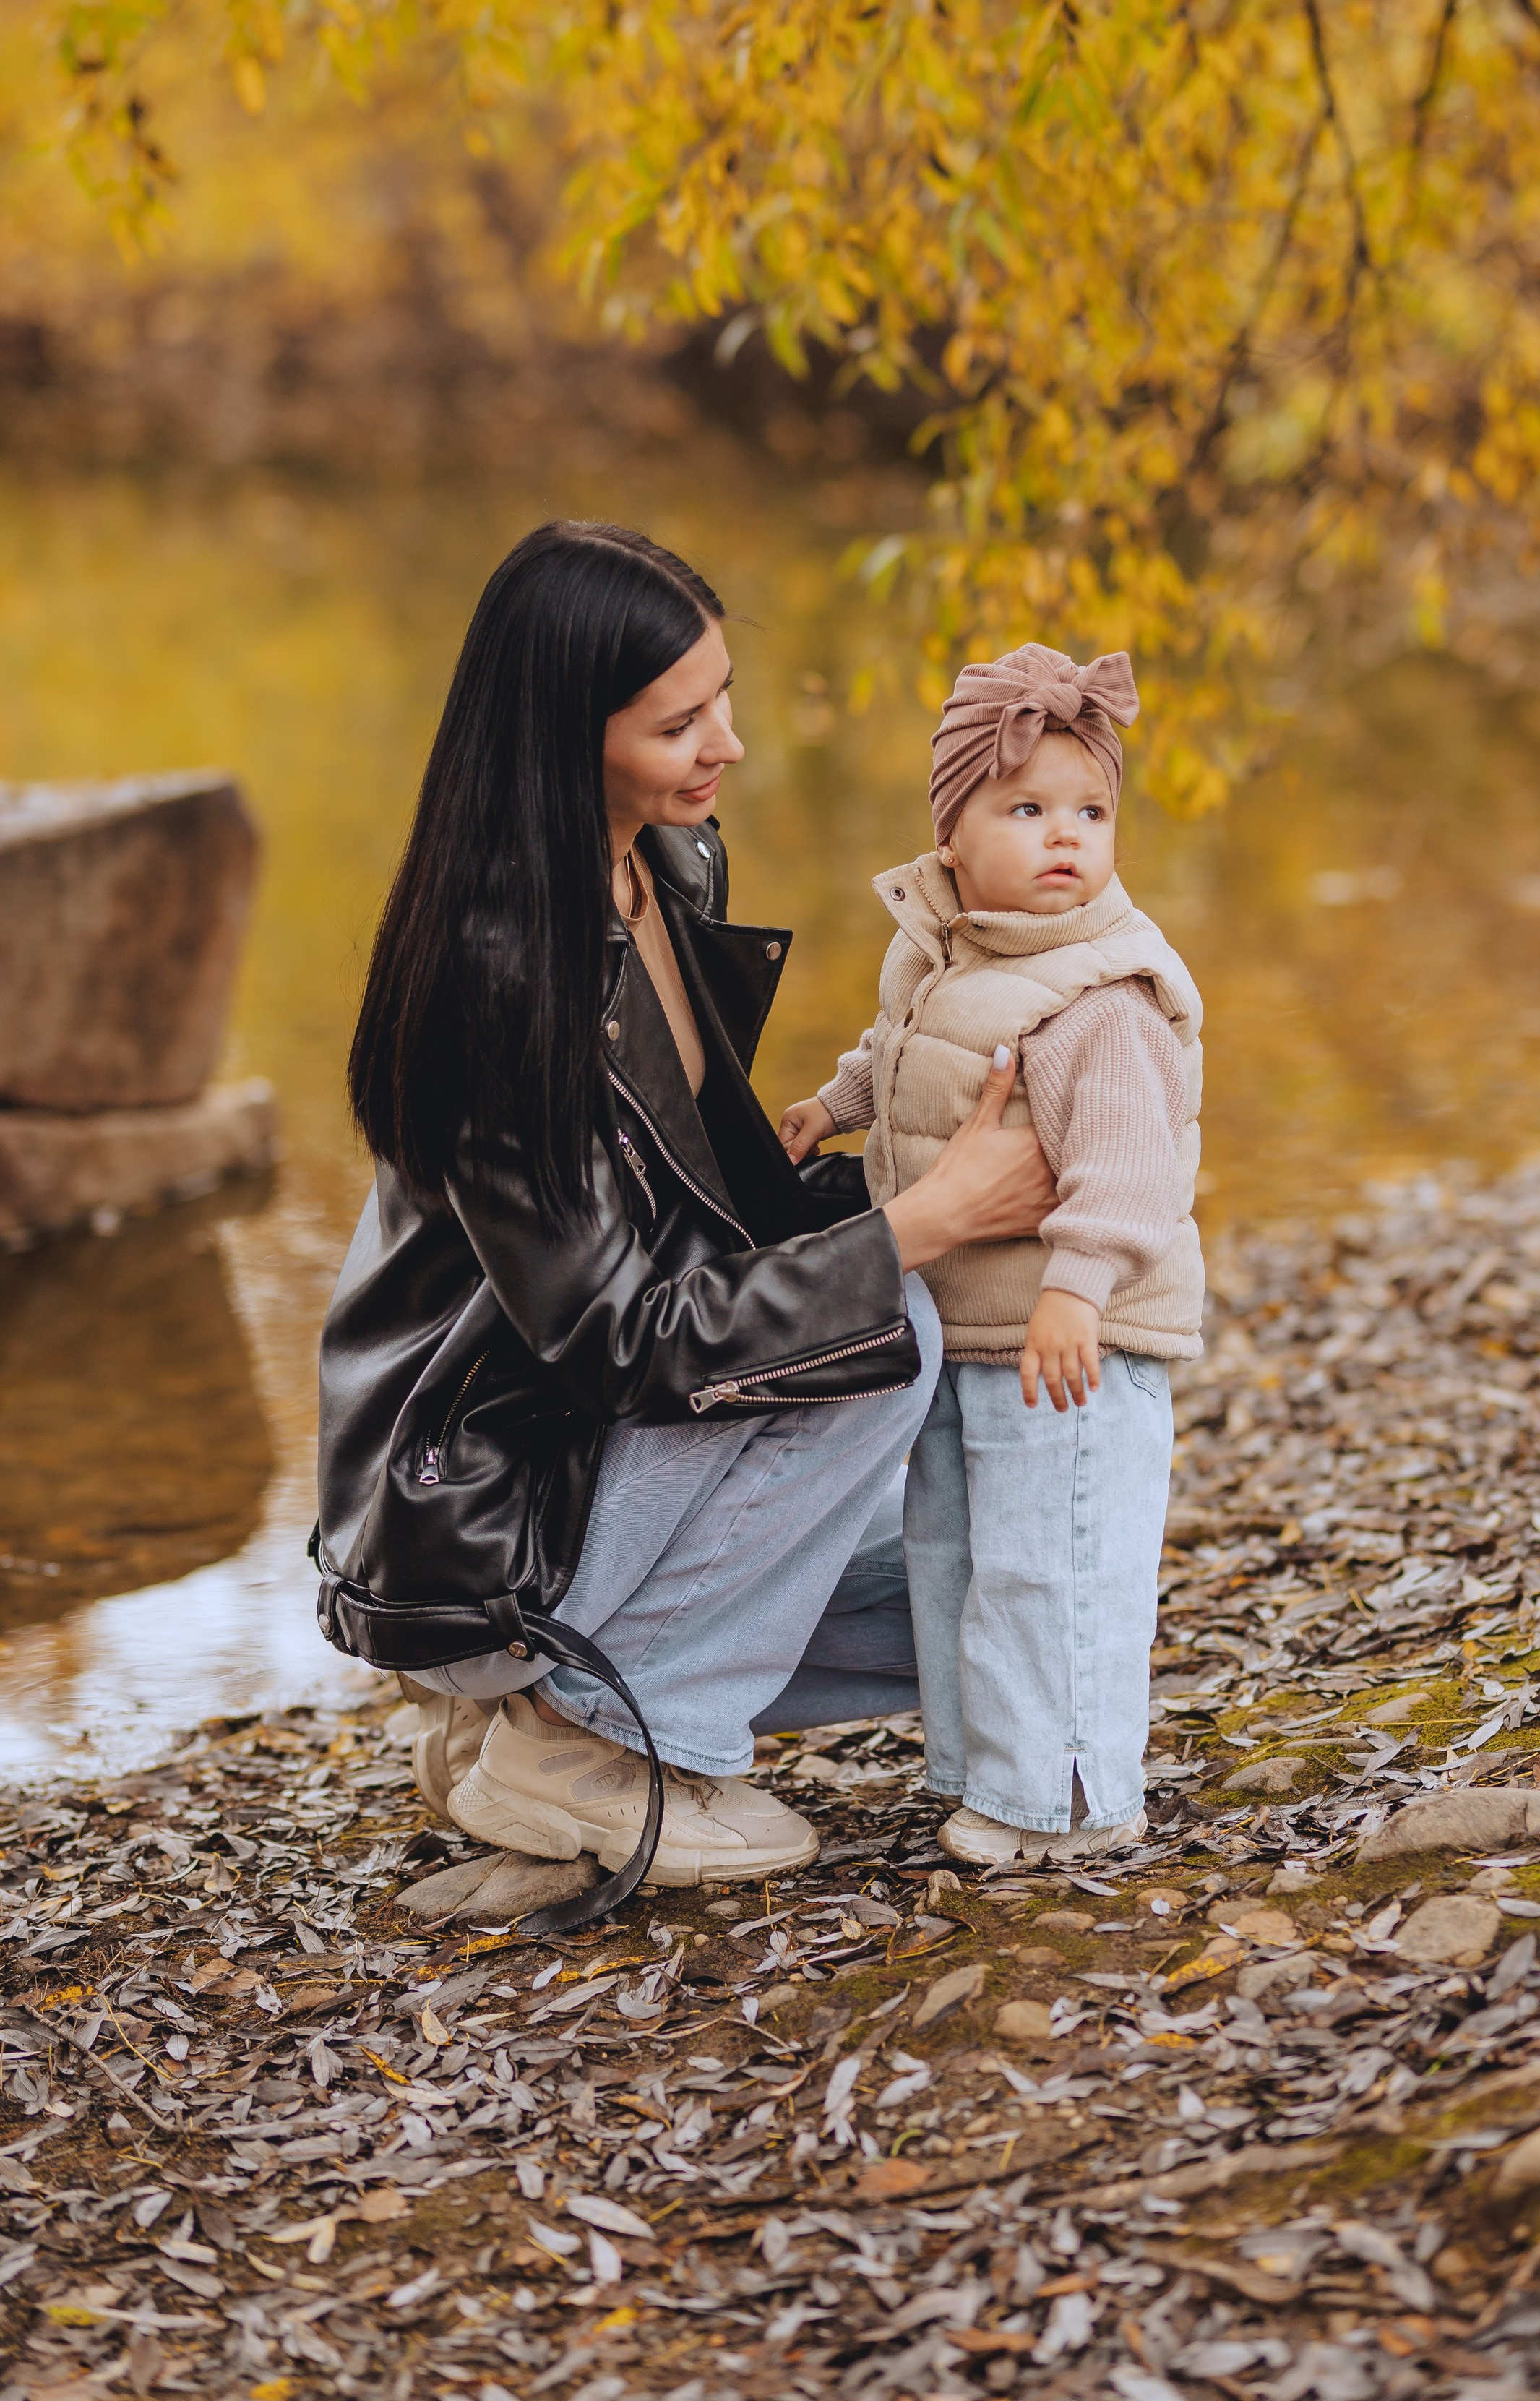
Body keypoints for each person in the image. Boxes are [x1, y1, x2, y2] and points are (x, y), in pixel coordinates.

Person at [317, 522, 1055, 1887]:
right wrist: (921, 1224)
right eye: (678, 725)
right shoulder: (497, 973)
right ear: (564, 735)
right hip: (481, 1516)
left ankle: (534, 1716)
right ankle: (572, 1741)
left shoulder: (667, 862)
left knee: (988, 1612)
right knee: (887, 1315)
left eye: (723, 697)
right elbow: (619, 1339)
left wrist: (899, 1154)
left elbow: (703, 1204)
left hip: (600, 1464)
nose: (729, 745)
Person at [780, 643, 1205, 1866]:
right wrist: (835, 1104)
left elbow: (1129, 1167)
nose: (1065, 835)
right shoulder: (951, 951)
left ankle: (1068, 1805)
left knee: (1053, 1568)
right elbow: (909, 1051)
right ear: (952, 836)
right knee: (955, 1559)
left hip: (1072, 1340)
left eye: (1091, 813)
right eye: (1026, 810)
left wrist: (1078, 1288)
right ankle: (989, 1778)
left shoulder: (1100, 996)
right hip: (971, 1332)